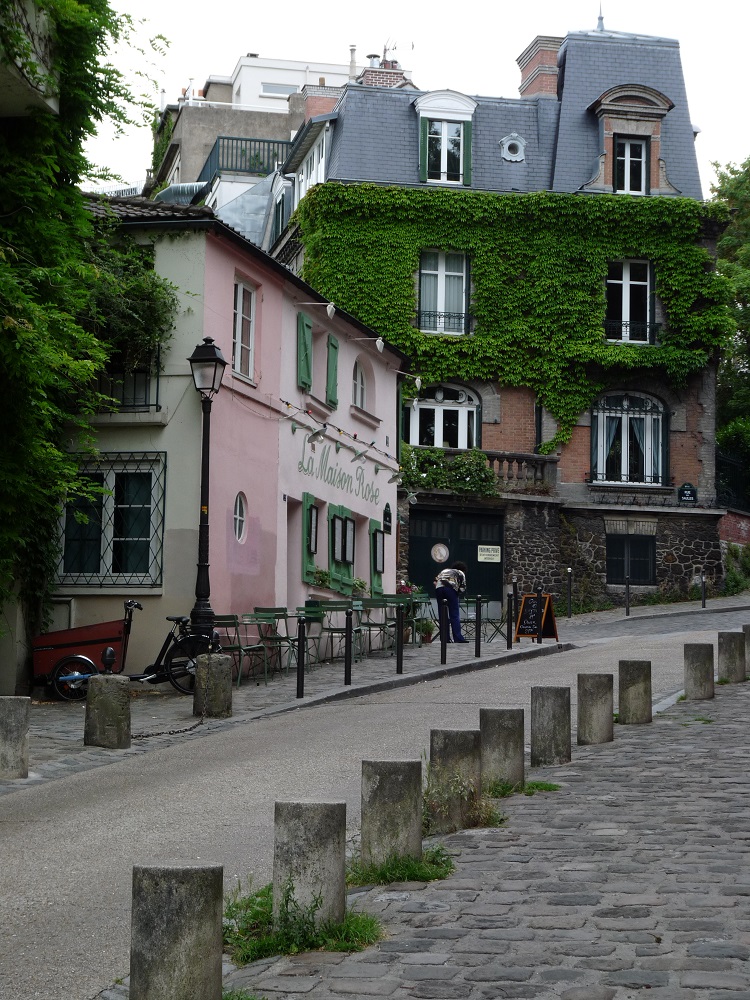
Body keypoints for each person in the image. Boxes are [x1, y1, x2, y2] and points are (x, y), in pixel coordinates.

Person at [434, 561, 468, 643]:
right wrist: (457, 593)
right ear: (463, 569)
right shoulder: (460, 573)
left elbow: (435, 581)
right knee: (454, 614)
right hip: (450, 589)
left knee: (443, 614)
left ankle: (445, 638)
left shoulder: (445, 570)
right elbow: (463, 587)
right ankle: (458, 638)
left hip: (439, 588)